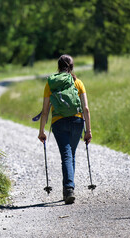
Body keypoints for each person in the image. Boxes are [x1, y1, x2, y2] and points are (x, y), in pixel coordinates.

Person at [38, 54, 92, 204]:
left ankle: (69, 189)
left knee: (67, 155)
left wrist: (41, 131)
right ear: (72, 67)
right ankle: (69, 188)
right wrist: (88, 131)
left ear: (58, 66)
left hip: (59, 122)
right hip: (77, 121)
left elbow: (45, 111)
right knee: (71, 154)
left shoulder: (51, 84)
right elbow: (86, 108)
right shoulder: (78, 82)